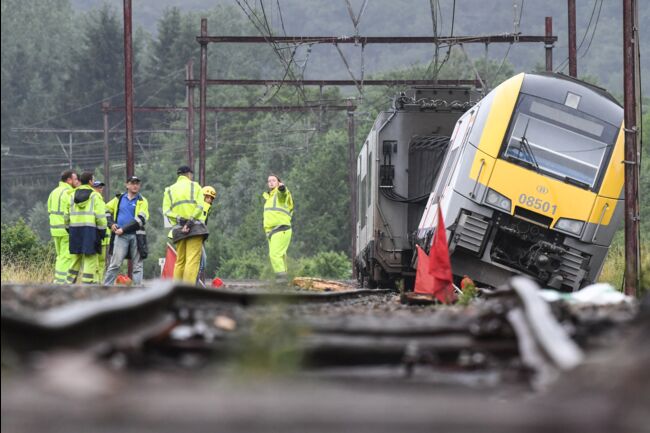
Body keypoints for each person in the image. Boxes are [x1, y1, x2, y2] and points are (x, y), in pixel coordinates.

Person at [162, 166, 208, 283]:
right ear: (189, 174)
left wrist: (181, 220)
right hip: (195, 228)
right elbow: (200, 206)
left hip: (179, 230)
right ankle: (188, 291)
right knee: (192, 260)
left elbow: (166, 211)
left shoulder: (169, 190)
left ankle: (177, 289)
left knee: (180, 261)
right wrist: (190, 221)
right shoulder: (195, 186)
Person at [103, 176, 149, 286]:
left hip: (137, 236)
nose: (135, 186)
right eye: (132, 183)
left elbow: (141, 219)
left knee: (137, 266)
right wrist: (111, 224)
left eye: (137, 183)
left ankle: (138, 291)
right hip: (120, 236)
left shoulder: (142, 201)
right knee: (115, 264)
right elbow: (106, 210)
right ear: (127, 185)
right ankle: (105, 288)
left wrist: (123, 229)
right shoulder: (118, 199)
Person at [66, 172, 106, 284]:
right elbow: (101, 217)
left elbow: (66, 216)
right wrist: (102, 231)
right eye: (93, 180)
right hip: (90, 231)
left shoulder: (72, 195)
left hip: (75, 231)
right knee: (90, 258)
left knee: (75, 258)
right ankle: (86, 285)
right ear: (90, 181)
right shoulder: (95, 195)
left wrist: (69, 229)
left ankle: (68, 284)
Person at [47, 169, 79, 283]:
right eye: (75, 179)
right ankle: (61, 283)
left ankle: (58, 280)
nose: (77, 181)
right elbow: (71, 213)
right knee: (66, 258)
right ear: (69, 180)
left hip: (55, 230)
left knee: (60, 257)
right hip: (66, 231)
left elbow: (49, 211)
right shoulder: (69, 193)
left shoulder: (53, 192)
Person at [262, 174, 294, 284]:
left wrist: (282, 188)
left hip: (281, 229)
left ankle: (281, 280)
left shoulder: (281, 192)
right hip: (272, 231)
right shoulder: (269, 197)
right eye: (269, 181)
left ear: (278, 182)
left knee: (274, 255)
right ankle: (285, 280)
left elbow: (283, 194)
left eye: (273, 180)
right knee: (280, 256)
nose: (271, 182)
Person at [91, 180, 111, 283]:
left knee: (102, 262)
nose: (100, 189)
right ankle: (95, 281)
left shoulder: (102, 201)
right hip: (97, 236)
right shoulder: (93, 200)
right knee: (95, 262)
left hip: (104, 237)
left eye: (101, 187)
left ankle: (100, 281)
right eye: (98, 187)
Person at [197, 186, 216, 285]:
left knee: (202, 264)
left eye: (211, 198)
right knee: (200, 264)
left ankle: (193, 286)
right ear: (203, 196)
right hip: (196, 237)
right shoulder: (202, 207)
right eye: (207, 197)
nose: (209, 200)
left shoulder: (207, 209)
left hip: (199, 238)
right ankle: (193, 286)